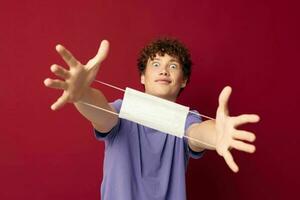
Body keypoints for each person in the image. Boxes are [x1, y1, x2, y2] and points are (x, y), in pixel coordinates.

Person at [44, 38, 260, 200]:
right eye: (156, 64)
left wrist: (217, 135)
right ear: (142, 76)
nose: (164, 70)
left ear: (183, 80)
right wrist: (82, 95)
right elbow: (101, 112)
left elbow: (198, 133)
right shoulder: (122, 111)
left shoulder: (186, 120)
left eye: (173, 66)